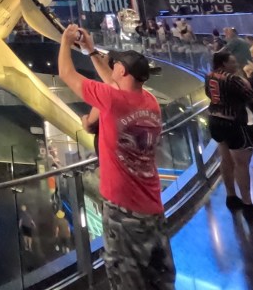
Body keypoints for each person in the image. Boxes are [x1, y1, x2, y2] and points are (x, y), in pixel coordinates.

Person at [58, 24, 175, 290]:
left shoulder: (111, 100)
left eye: (116, 65)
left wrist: (65, 41)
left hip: (122, 210)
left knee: (125, 280)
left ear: (121, 71)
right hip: (152, 208)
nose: (112, 68)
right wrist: (90, 50)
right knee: (159, 280)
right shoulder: (150, 101)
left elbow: (66, 73)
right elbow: (115, 83)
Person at [205, 50, 253, 221]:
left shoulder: (209, 76)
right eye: (232, 62)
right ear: (223, 63)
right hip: (233, 123)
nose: (235, 65)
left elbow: (208, 94)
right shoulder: (233, 79)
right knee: (242, 164)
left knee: (225, 159)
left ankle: (231, 197)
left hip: (215, 120)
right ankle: (248, 205)